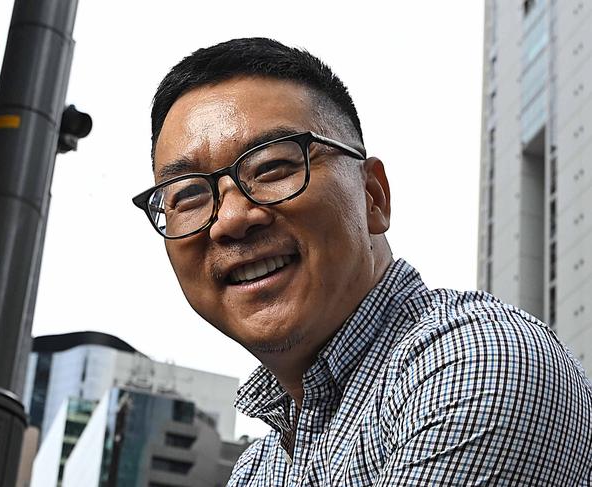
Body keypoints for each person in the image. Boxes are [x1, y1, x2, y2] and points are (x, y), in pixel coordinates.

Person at [132, 38, 592, 486]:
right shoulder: (260, 469)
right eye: (188, 195)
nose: (229, 220)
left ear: (373, 195)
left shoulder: (476, 360)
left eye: (272, 167)